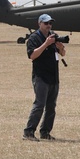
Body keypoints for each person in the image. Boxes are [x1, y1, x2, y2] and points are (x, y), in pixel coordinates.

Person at [23, 13, 66, 141]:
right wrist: (46, 44)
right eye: (46, 23)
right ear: (39, 24)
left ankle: (45, 132)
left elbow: (62, 54)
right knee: (39, 105)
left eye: (50, 23)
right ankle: (29, 132)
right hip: (41, 76)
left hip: (53, 76)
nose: (48, 26)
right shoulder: (34, 38)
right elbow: (32, 55)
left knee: (51, 106)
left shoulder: (53, 36)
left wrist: (61, 47)